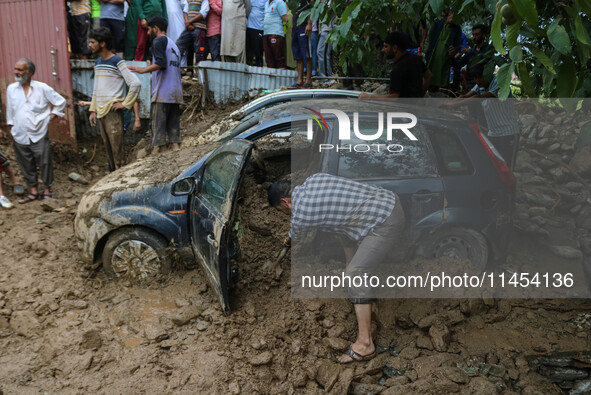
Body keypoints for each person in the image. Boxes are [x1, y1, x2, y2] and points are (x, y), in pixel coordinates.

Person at [268, 173, 406, 364]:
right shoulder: (314, 179)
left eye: (282, 211)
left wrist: (287, 241)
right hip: (387, 201)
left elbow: (296, 231)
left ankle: (365, 343)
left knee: (355, 274)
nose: (286, 214)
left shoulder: (303, 213)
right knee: (340, 227)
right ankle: (353, 282)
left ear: (286, 202)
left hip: (385, 221)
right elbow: (340, 219)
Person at [5, 58, 66, 203]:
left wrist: (52, 115)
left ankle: (47, 190)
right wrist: (11, 126)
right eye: (16, 69)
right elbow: (10, 110)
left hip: (38, 132)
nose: (16, 72)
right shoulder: (11, 89)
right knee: (25, 163)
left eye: (20, 70)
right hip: (19, 133)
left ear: (30, 72)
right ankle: (33, 191)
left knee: (44, 162)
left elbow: (60, 102)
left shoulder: (42, 88)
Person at [441, 64, 520, 169]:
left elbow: (477, 97)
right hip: (493, 133)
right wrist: (447, 104)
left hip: (507, 132)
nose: (477, 80)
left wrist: (453, 105)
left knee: (507, 166)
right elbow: (466, 95)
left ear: (487, 74)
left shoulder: (498, 82)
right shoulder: (480, 85)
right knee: (494, 167)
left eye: (480, 76)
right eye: (475, 77)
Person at [88, 27, 141, 171]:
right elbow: (96, 89)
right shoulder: (98, 62)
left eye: (93, 42)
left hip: (113, 112)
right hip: (101, 112)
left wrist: (125, 104)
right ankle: (112, 179)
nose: (90, 45)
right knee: (108, 150)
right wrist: (93, 110)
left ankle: (120, 182)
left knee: (118, 152)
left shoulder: (118, 61)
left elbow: (135, 83)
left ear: (103, 43)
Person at [129, 16, 183, 152]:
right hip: (175, 93)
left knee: (159, 134)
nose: (147, 33)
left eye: (148, 30)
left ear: (156, 28)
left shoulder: (159, 41)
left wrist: (143, 70)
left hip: (162, 93)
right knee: (174, 133)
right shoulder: (174, 45)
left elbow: (161, 63)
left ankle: (162, 159)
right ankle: (176, 156)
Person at [359, 32, 431, 99]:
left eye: (386, 47)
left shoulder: (398, 69)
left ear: (395, 48)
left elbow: (393, 97)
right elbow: (428, 76)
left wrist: (369, 97)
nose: (383, 50)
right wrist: (421, 95)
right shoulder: (416, 59)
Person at [424, 10, 462, 91]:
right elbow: (429, 39)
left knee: (442, 87)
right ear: (450, 13)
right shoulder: (438, 23)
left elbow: (457, 46)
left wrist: (453, 51)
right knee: (428, 81)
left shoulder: (457, 29)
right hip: (432, 58)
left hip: (445, 62)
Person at [453, 23, 494, 92]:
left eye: (477, 34)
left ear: (484, 35)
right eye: (473, 35)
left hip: (484, 85)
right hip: (470, 85)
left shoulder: (489, 48)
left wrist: (471, 53)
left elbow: (485, 60)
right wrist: (452, 56)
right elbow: (458, 64)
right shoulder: (471, 50)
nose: (474, 37)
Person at [176, 0, 208, 72]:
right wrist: (187, 22)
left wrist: (189, 22)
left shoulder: (204, 0)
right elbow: (185, 11)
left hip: (199, 28)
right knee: (178, 45)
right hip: (189, 28)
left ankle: (200, 75)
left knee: (200, 51)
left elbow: (203, 14)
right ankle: (178, 68)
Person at [289, 0, 313, 88]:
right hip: (295, 26)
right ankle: (299, 80)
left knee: (307, 54)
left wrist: (309, 23)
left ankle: (308, 80)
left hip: (304, 26)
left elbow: (312, 7)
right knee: (297, 54)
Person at [263, 0, 288, 69]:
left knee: (278, 57)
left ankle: (280, 77)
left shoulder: (280, 2)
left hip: (276, 33)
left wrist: (282, 32)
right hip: (266, 32)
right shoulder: (266, 3)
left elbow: (285, 18)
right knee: (269, 58)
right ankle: (271, 78)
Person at [246, 0, 265, 66]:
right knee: (248, 52)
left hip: (259, 28)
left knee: (258, 52)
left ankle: (259, 72)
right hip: (248, 26)